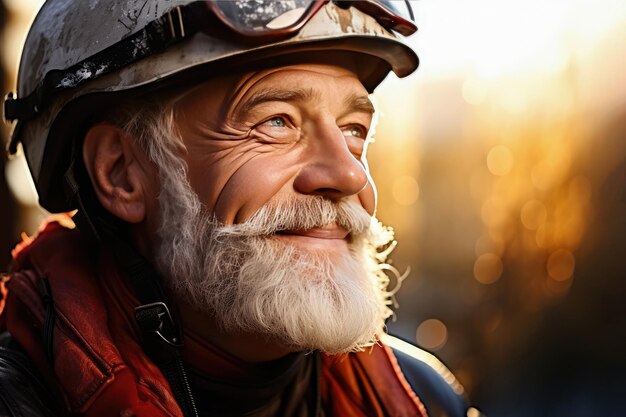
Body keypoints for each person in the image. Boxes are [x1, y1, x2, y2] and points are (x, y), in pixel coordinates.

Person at [0, 1, 482, 416]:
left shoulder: (425, 399)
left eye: (354, 130)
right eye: (276, 122)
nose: (350, 176)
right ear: (121, 173)